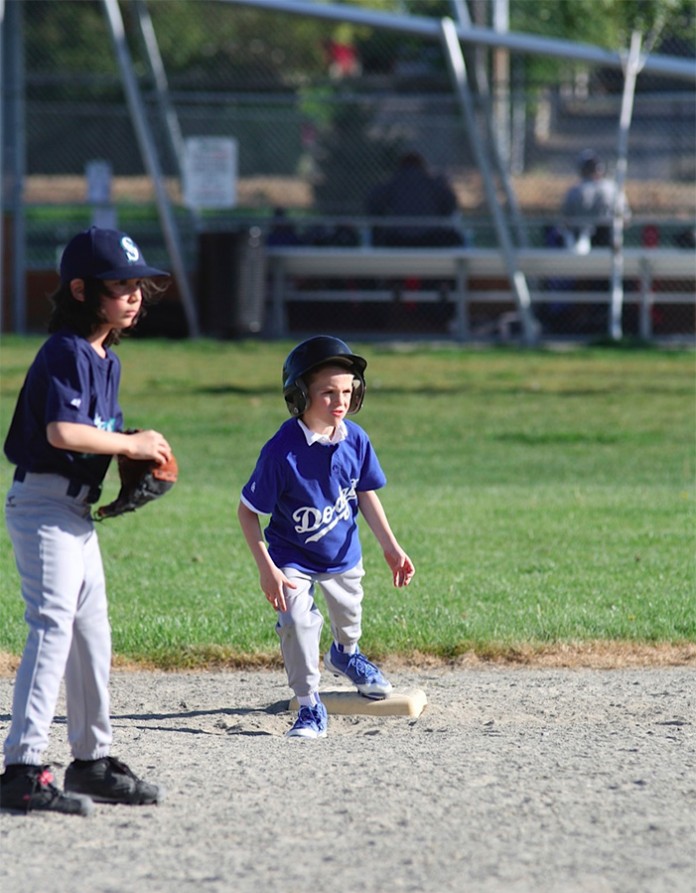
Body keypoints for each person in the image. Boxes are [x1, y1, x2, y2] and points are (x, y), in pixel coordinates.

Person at [0, 226, 173, 816]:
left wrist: (133, 448)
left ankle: (92, 763)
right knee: (51, 626)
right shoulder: (64, 351)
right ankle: (21, 768)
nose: (134, 294)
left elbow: (96, 436)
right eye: (120, 284)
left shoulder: (106, 361)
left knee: (90, 636)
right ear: (81, 289)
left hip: (75, 512)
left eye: (137, 285)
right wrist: (131, 444)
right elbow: (61, 433)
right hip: (42, 506)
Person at [237, 336, 415, 739]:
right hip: (291, 558)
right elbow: (248, 512)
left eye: (348, 392)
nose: (340, 402)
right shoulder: (281, 453)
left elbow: (365, 492)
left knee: (348, 617)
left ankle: (346, 654)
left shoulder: (356, 439)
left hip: (342, 554)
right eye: (328, 393)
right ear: (299, 395)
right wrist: (267, 569)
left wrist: (390, 545)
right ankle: (309, 704)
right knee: (298, 622)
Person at [366, 151, 463, 247]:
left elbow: (373, 204)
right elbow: (450, 205)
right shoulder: (433, 183)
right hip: (431, 237)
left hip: (397, 238)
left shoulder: (392, 183)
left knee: (378, 234)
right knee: (454, 236)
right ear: (422, 165)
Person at [560, 149, 627, 252]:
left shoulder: (575, 191)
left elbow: (566, 219)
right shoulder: (612, 188)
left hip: (587, 242)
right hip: (605, 243)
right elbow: (625, 216)